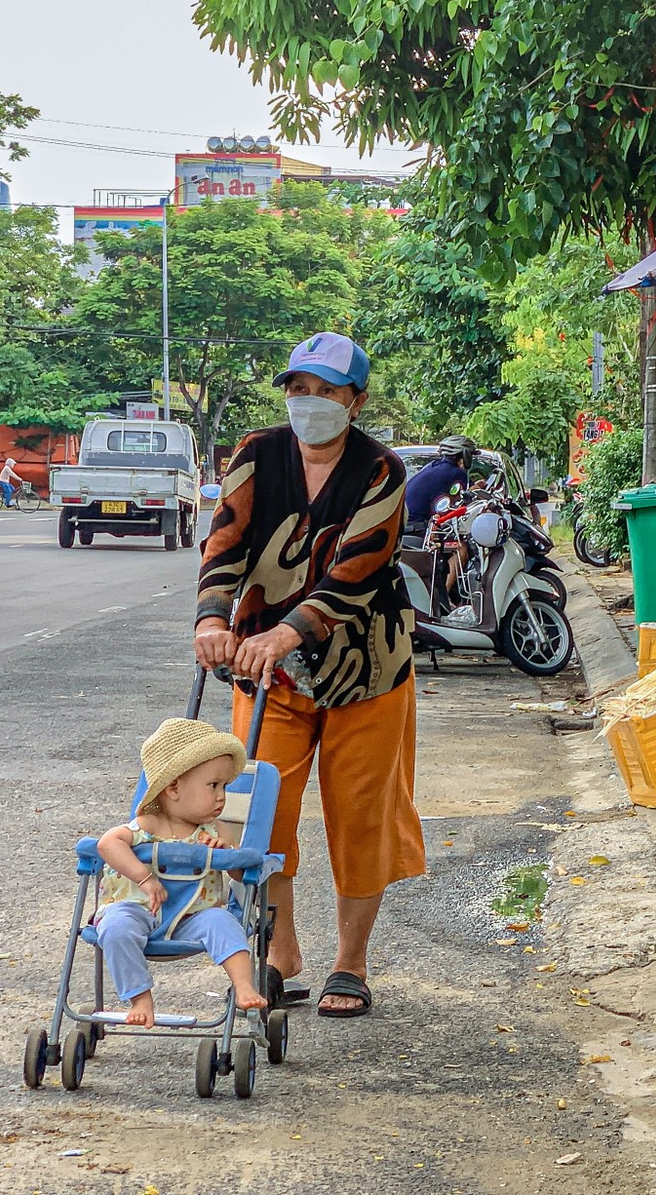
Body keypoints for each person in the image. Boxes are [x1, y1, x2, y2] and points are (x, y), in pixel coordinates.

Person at [193, 332, 423, 1019]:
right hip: (266, 670)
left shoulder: (382, 470)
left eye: (327, 392)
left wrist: (290, 628)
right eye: (300, 389)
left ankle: (350, 962)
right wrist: (212, 620)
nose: (310, 403)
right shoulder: (256, 454)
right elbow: (225, 542)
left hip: (366, 667)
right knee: (258, 811)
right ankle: (280, 950)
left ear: (355, 400)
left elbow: (359, 567)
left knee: (361, 816)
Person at [92, 718, 269, 1027]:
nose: (221, 796)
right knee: (114, 928)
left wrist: (226, 853)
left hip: (194, 917)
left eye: (224, 786)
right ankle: (139, 996)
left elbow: (242, 874)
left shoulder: (214, 829)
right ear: (173, 787)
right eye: (213, 785)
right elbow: (108, 844)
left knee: (224, 922)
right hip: (138, 910)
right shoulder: (146, 827)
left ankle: (243, 985)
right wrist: (144, 878)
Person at [404, 435, 476, 535]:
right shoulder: (455, 473)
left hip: (404, 524)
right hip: (418, 526)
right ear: (465, 455)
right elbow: (474, 493)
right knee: (459, 543)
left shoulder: (432, 466)